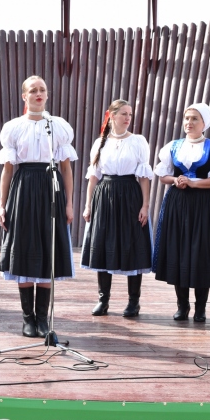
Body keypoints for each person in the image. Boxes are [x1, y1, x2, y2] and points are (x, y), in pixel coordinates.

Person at [0, 76, 77, 338]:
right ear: (24, 96)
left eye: (42, 89)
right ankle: (27, 319)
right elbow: (8, 170)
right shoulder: (13, 127)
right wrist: (2, 204)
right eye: (33, 90)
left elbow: (66, 168)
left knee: (47, 251)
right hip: (23, 187)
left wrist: (69, 203)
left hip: (49, 186)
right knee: (24, 250)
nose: (39, 93)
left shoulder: (59, 126)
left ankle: (42, 319)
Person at [152, 103, 210, 322]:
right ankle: (182, 305)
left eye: (194, 118)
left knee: (201, 253)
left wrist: (194, 183)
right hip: (178, 203)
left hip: (204, 204)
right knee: (179, 250)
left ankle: (201, 308)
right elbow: (163, 175)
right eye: (187, 118)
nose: (189, 123)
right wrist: (175, 180)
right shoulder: (173, 146)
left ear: (205, 123)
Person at [80, 100, 152, 317]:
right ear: (111, 116)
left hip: (130, 194)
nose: (128, 118)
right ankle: (103, 300)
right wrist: (88, 205)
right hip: (105, 195)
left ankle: (133, 302)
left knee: (132, 244)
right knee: (103, 244)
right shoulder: (100, 142)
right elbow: (93, 177)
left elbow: (144, 177)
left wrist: (145, 205)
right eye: (123, 114)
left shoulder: (138, 141)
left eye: (130, 114)